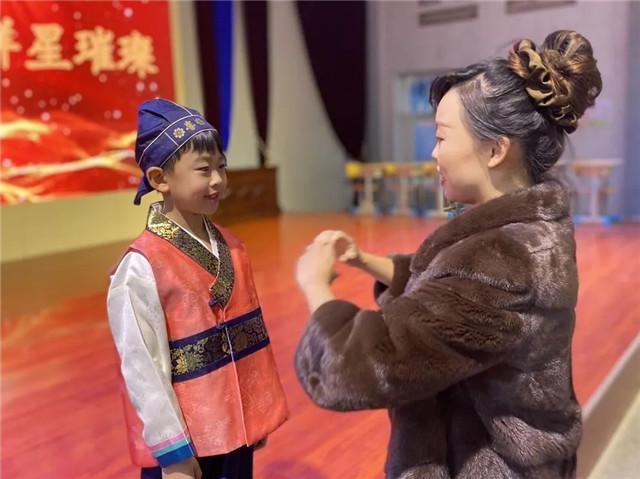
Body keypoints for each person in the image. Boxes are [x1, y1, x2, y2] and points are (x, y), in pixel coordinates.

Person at [294, 30, 602, 479]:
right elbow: (449, 298)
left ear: (495, 150)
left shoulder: (503, 261)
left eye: (441, 138)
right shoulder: (526, 231)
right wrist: (365, 259)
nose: (434, 154)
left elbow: (356, 368)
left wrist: (315, 285)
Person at [107, 98, 288, 479]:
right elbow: (142, 367)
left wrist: (256, 411)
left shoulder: (232, 246)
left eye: (221, 166)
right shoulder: (140, 267)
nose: (218, 180)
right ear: (160, 179)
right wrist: (171, 452)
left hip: (235, 431)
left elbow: (251, 334)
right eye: (204, 170)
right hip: (186, 445)